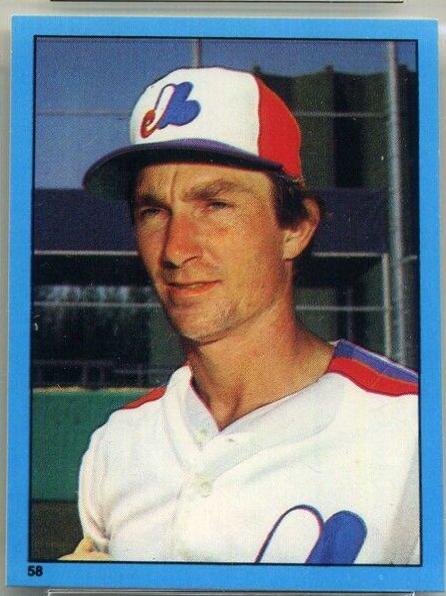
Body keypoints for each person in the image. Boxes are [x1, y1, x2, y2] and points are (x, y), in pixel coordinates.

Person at [60, 66, 419, 564]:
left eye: (216, 205)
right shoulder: (119, 442)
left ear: (295, 228)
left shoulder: (415, 431)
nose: (176, 250)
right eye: (153, 211)